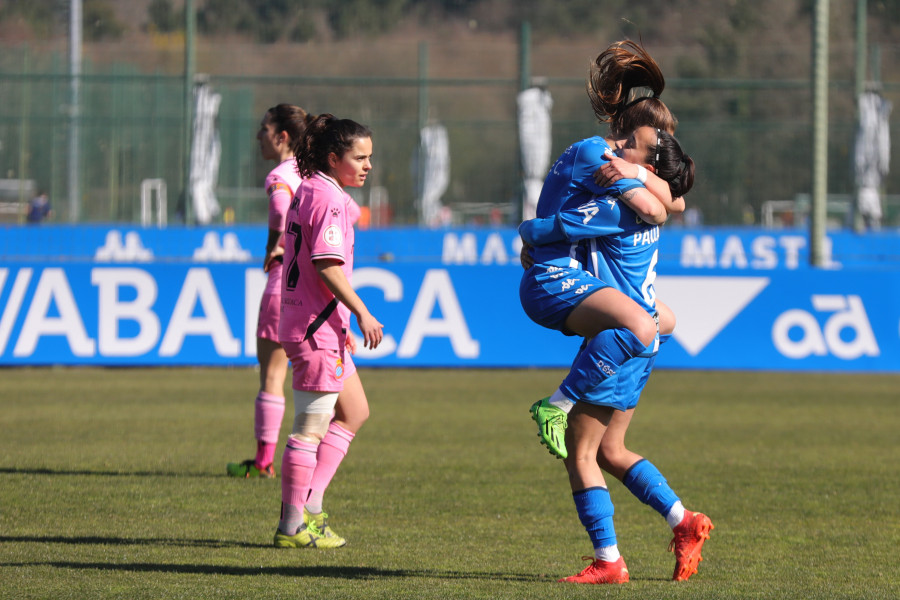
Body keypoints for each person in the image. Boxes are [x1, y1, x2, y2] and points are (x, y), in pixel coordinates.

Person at [519, 41, 713, 584]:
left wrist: (531, 231)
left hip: (627, 334)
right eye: (650, 148)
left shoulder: (619, 190)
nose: (648, 157)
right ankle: (684, 520)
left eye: (654, 155)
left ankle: (609, 561)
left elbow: (657, 203)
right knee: (611, 449)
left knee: (579, 452)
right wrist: (649, 179)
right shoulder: (627, 185)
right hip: (639, 337)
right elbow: (669, 203)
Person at [273, 114, 383, 550]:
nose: (367, 166)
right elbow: (326, 264)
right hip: (314, 329)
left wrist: (340, 321)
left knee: (354, 411)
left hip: (317, 323)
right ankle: (292, 525)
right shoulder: (331, 200)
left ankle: (311, 508)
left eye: (370, 158)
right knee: (309, 429)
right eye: (359, 157)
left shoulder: (311, 189)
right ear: (334, 158)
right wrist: (361, 312)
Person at [227, 104, 313, 479]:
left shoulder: (280, 175)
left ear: (282, 137)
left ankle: (263, 460)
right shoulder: (315, 174)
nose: (257, 136)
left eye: (263, 129)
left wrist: (273, 244)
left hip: (285, 284)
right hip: (316, 287)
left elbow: (280, 210)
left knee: (273, 376)